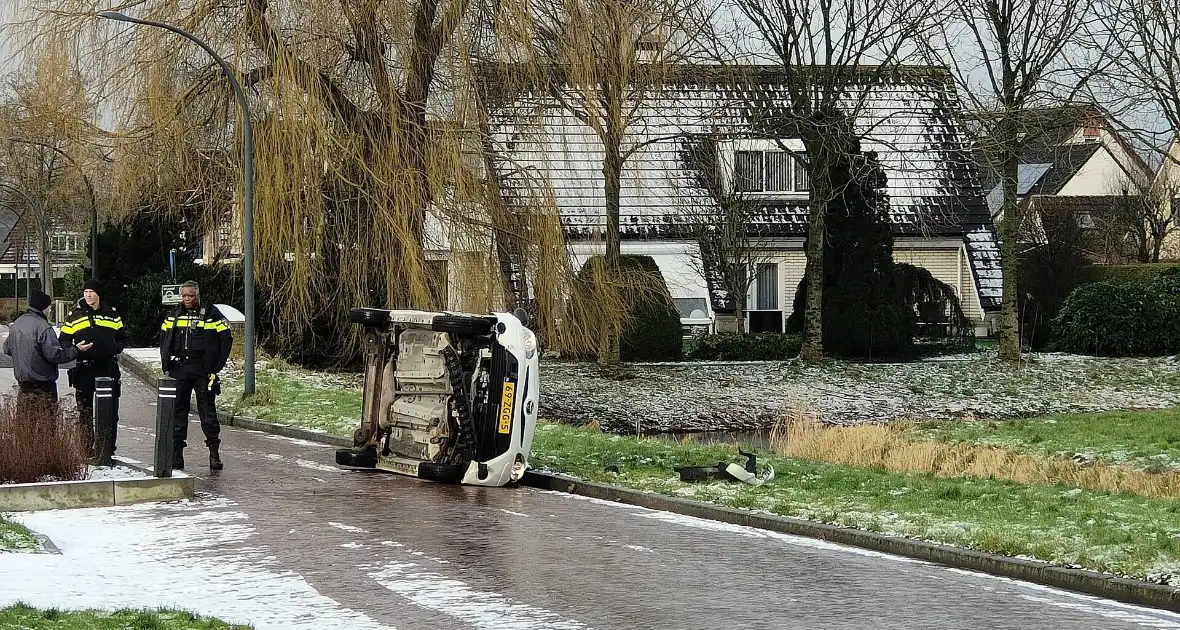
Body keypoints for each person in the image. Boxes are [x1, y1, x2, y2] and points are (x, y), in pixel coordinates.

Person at [159, 280, 232, 471]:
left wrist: (216, 367)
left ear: (197, 295)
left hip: (202, 369)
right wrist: (166, 363)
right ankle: (177, 454)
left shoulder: (211, 314)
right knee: (178, 412)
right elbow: (164, 339)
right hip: (180, 368)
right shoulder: (174, 314)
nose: (186, 299)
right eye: (183, 296)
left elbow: (226, 340)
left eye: (190, 296)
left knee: (207, 412)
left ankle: (214, 453)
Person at [59, 279, 126, 459]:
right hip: (84, 369)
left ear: (98, 294)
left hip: (108, 368)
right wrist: (75, 349)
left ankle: (106, 450)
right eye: (86, 292)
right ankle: (86, 450)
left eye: (91, 292)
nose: (88, 295)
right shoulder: (75, 315)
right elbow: (63, 339)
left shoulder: (112, 314)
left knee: (110, 412)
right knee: (85, 413)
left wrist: (114, 348)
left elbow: (122, 338)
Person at [2, 289, 92, 415]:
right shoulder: (44, 327)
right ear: (43, 307)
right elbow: (54, 355)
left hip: (23, 386)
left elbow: (7, 348)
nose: (50, 309)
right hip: (44, 387)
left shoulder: (17, 324)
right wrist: (76, 349)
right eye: (49, 306)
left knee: (25, 426)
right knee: (46, 426)